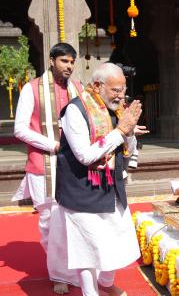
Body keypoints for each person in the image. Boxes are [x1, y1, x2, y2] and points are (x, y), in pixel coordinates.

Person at [52, 63, 141, 296]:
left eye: (123, 89)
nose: (121, 95)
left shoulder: (115, 108)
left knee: (118, 239)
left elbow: (127, 148)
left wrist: (129, 132)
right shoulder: (76, 110)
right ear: (99, 86)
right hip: (81, 188)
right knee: (87, 249)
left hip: (111, 185)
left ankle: (107, 282)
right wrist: (121, 130)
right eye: (115, 90)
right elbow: (85, 155)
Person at [12, 43, 83, 294]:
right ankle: (59, 274)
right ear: (52, 60)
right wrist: (53, 146)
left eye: (72, 62)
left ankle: (72, 267)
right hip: (43, 166)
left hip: (73, 166)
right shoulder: (31, 90)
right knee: (50, 222)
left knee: (71, 220)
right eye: (64, 61)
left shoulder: (78, 89)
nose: (69, 67)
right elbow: (20, 129)